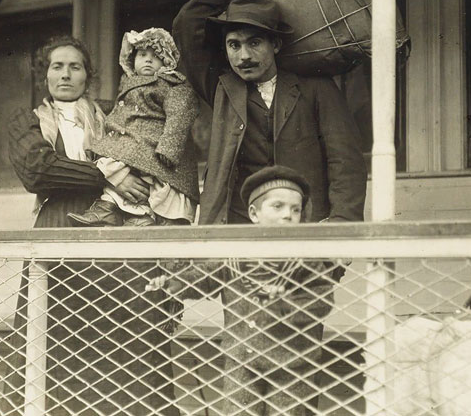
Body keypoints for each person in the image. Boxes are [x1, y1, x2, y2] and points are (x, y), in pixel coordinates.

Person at [1, 34, 179, 416]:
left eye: (75, 67)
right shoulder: (27, 119)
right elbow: (38, 169)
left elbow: (147, 146)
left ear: (88, 76)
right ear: (44, 75)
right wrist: (107, 175)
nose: (65, 74)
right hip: (59, 226)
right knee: (53, 332)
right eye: (57, 66)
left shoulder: (112, 113)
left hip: (118, 226)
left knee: (128, 331)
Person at [172, 0, 367, 224]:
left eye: (254, 43)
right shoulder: (222, 88)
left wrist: (342, 221)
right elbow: (187, 22)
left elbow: (346, 162)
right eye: (234, 45)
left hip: (302, 224)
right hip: (236, 226)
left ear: (275, 45)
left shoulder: (316, 88)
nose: (244, 56)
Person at [147, 165, 345, 415]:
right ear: (254, 213)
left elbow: (321, 299)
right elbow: (206, 277)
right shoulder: (235, 255)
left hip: (290, 363)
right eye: (278, 206)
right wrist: (174, 283)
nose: (288, 215)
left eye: (295, 210)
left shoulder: (304, 260)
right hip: (241, 359)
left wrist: (285, 303)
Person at [69, 27, 199, 227]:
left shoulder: (171, 84)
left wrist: (169, 148)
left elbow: (181, 113)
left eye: (156, 56)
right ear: (131, 60)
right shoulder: (129, 84)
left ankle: (142, 216)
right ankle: (108, 209)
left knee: (148, 179)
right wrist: (95, 107)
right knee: (111, 162)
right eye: (142, 55)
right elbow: (121, 109)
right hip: (133, 141)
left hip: (154, 143)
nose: (148, 59)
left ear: (167, 62)